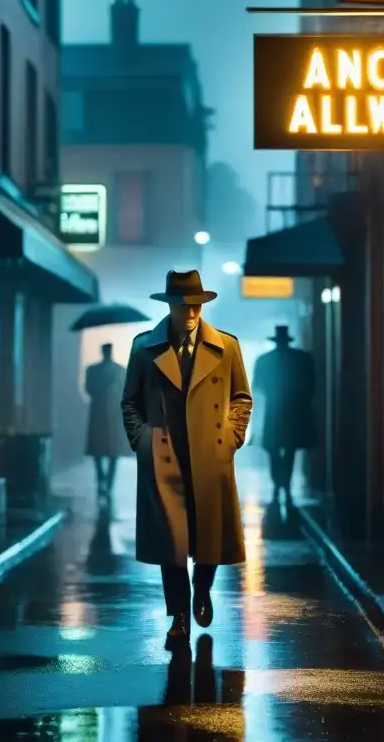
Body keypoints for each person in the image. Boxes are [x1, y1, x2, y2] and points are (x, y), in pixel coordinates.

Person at [121, 269, 253, 646]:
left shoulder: (226, 347)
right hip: (165, 455)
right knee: (172, 540)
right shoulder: (145, 347)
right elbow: (130, 400)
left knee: (209, 533)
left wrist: (231, 436)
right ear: (171, 307)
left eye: (195, 305)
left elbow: (241, 398)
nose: (190, 312)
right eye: (183, 306)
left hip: (210, 453)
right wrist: (142, 440)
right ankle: (179, 615)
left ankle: (203, 589)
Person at [252, 325, 317, 502]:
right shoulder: (302, 359)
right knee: (289, 449)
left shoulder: (264, 360)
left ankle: (279, 484)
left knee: (273, 448)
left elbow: (257, 386)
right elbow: (311, 386)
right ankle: (284, 486)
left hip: (273, 409)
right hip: (294, 409)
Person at [84, 343, 130, 503]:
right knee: (102, 452)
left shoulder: (119, 371)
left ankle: (106, 483)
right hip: (102, 416)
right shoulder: (96, 371)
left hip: (111, 416)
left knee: (111, 453)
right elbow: (88, 389)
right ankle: (103, 481)